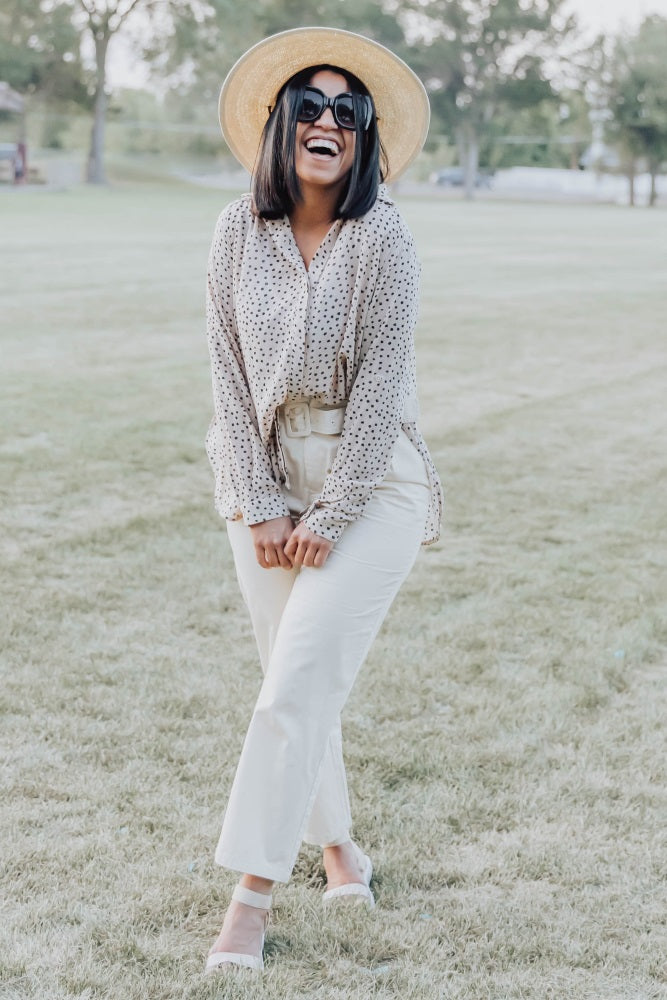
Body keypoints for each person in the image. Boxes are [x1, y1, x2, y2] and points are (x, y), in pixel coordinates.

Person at [204, 26, 444, 973]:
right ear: (281, 126)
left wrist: (333, 512)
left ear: (364, 139)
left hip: (373, 478)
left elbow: (384, 387)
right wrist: (259, 500)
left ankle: (249, 899)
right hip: (260, 478)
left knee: (299, 681)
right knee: (292, 684)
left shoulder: (383, 237)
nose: (328, 120)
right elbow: (224, 373)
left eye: (348, 111)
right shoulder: (234, 231)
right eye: (311, 104)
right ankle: (339, 849)